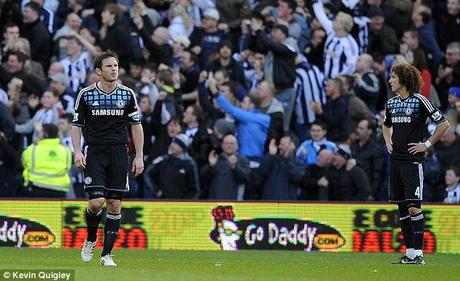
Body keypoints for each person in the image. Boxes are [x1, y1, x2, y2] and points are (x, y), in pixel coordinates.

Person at [71, 51, 144, 266]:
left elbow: (136, 126)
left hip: (120, 152)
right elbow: (76, 126)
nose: (114, 69)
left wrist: (139, 156)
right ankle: (91, 239)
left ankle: (106, 255)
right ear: (98, 71)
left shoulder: (128, 94)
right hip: (94, 151)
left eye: (116, 65)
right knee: (96, 203)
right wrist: (77, 151)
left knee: (114, 204)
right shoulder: (85, 94)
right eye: (109, 66)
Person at [383, 64, 450, 264]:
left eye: (393, 77)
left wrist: (426, 144)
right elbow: (386, 125)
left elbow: (443, 123)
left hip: (413, 161)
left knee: (413, 207)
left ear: (403, 80)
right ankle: (410, 253)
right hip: (396, 161)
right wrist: (388, 141)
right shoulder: (391, 103)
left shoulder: (420, 101)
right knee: (402, 208)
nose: (390, 80)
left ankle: (419, 254)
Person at [22, 123, 72, 198]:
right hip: (60, 189)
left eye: (40, 131)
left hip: (37, 188)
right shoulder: (66, 150)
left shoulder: (32, 149)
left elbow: (24, 163)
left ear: (45, 134)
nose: (38, 133)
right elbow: (68, 168)